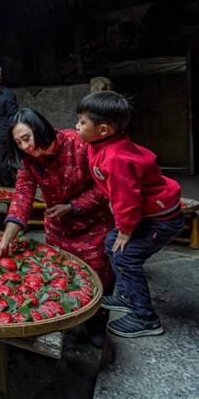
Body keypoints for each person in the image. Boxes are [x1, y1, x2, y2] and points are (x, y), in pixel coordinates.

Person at [0, 108, 114, 345]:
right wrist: (7, 239)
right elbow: (23, 196)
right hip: (59, 228)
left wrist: (72, 206)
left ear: (40, 129)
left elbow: (106, 186)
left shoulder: (79, 143)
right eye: (18, 142)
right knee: (61, 277)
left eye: (27, 138)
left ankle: (97, 325)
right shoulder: (29, 160)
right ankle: (65, 320)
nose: (25, 147)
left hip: (95, 227)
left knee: (98, 278)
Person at [76, 91, 183, 337]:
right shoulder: (100, 143)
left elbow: (127, 199)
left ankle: (146, 318)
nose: (77, 126)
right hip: (147, 215)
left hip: (160, 220)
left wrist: (126, 229)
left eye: (82, 122)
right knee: (111, 243)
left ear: (103, 130)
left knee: (126, 256)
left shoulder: (116, 158)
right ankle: (126, 296)